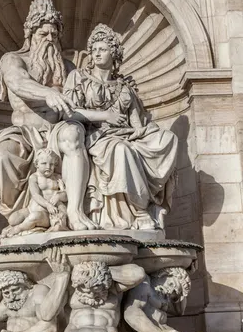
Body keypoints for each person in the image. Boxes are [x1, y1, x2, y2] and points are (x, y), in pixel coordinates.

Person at [0, 0, 96, 232]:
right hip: (24, 134)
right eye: (43, 34)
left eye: (54, 35)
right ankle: (16, 210)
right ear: (30, 34)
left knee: (73, 134)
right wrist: (48, 93)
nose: (49, 39)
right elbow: (18, 83)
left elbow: (81, 103)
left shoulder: (67, 68)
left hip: (59, 131)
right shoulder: (14, 60)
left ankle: (75, 211)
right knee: (1, 157)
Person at [64, 23, 178, 230]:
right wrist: (105, 115)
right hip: (96, 137)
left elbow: (137, 125)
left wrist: (146, 132)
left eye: (102, 49)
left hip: (125, 135)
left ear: (113, 53)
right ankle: (140, 210)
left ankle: (148, 203)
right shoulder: (78, 78)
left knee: (167, 138)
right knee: (122, 150)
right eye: (94, 50)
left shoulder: (125, 89)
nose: (97, 54)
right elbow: (68, 112)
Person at [123, 267, 220, 332]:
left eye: (174, 292)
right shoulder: (145, 285)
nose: (170, 290)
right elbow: (131, 313)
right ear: (164, 275)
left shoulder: (163, 297)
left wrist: (183, 283)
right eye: (171, 284)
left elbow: (180, 311)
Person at [63, 261, 145, 332]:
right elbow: (47, 314)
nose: (91, 295)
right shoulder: (70, 288)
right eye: (86, 291)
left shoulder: (113, 289)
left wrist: (102, 272)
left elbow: (138, 274)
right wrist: (63, 275)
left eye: (96, 289)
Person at [1, 149, 68, 238]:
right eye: (44, 163)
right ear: (37, 164)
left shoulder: (57, 178)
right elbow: (36, 195)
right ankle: (20, 225)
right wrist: (48, 205)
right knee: (12, 219)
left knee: (34, 216)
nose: (48, 167)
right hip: (31, 209)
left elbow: (66, 197)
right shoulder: (34, 177)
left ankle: (18, 229)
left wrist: (60, 194)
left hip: (47, 213)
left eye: (51, 164)